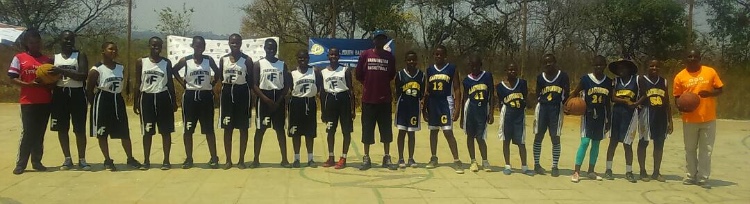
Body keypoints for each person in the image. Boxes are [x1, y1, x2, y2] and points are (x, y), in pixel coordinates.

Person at [86, 42, 142, 171]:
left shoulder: (120, 67)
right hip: (102, 99)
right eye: (110, 49)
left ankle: (130, 158)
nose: (113, 52)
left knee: (124, 132)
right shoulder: (96, 70)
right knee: (102, 133)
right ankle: (107, 160)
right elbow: (89, 90)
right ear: (103, 51)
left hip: (117, 99)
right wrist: (94, 105)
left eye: (115, 49)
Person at [673, 50, 723, 188]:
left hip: (708, 117)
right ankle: (690, 175)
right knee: (689, 148)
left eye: (695, 56)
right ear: (686, 58)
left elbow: (720, 89)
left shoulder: (709, 72)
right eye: (690, 56)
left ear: (699, 58)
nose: (692, 58)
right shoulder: (680, 76)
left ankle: (703, 178)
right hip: (689, 119)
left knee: (706, 149)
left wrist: (710, 93)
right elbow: (677, 97)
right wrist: (682, 107)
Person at [173, 36, 222, 169]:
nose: (199, 48)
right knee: (188, 129)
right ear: (193, 46)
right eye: (197, 45)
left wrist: (212, 83)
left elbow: (218, 72)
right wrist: (183, 83)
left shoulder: (208, 60)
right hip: (190, 96)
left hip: (205, 96)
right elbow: (174, 70)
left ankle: (213, 157)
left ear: (204, 47)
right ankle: (189, 158)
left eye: (201, 46)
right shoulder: (186, 60)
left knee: (208, 129)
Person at [8, 29, 53, 175]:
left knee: (40, 133)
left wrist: (47, 83)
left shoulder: (47, 60)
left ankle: (37, 161)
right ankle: (21, 163)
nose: (35, 45)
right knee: (28, 132)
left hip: (45, 101)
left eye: (37, 42)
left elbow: (54, 80)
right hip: (28, 101)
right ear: (27, 44)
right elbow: (12, 77)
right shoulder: (19, 58)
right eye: (32, 43)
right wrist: (28, 85)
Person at [355, 30, 397, 170]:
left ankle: (387, 157)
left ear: (385, 41)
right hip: (369, 99)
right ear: (373, 40)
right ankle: (366, 158)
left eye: (382, 39)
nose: (380, 41)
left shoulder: (389, 57)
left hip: (384, 99)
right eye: (377, 39)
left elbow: (391, 75)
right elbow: (359, 75)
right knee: (367, 130)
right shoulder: (365, 55)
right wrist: (369, 85)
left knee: (386, 131)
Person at [134, 36, 177, 170]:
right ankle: (146, 160)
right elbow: (137, 83)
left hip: (163, 97)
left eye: (159, 45)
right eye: (153, 45)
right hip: (146, 98)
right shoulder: (141, 62)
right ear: (149, 46)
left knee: (166, 131)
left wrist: (174, 101)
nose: (156, 48)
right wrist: (136, 101)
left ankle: (166, 160)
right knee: (147, 131)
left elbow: (170, 82)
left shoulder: (166, 62)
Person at [50, 30, 90, 171]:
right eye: (65, 39)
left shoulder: (79, 55)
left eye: (71, 39)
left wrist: (62, 71)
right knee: (62, 128)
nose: (68, 42)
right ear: (60, 40)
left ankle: (82, 159)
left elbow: (82, 75)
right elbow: (49, 78)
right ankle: (67, 159)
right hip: (60, 93)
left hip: (77, 93)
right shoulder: (54, 58)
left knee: (79, 128)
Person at [570, 55, 612, 182]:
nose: (598, 67)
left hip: (601, 114)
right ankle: (576, 171)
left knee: (596, 143)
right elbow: (575, 92)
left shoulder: (608, 81)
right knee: (585, 142)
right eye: (596, 65)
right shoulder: (586, 79)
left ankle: (591, 170)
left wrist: (609, 119)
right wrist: (568, 103)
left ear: (605, 66)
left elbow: (608, 102)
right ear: (593, 66)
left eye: (601, 65)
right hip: (587, 114)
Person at [251, 38, 292, 168]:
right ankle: (256, 159)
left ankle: (284, 159)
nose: (271, 50)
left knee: (280, 130)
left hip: (278, 98)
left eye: (273, 48)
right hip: (264, 99)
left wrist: (279, 100)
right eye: (269, 48)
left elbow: (287, 85)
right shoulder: (258, 64)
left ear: (276, 49)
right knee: (260, 130)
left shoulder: (282, 64)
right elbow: (254, 85)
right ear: (264, 49)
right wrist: (266, 99)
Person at [424, 45, 463, 174]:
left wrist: (457, 108)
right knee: (433, 131)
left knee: (448, 132)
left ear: (445, 56)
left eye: (441, 54)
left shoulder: (452, 69)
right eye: (436, 54)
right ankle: (433, 157)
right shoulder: (430, 70)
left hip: (446, 102)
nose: (438, 56)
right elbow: (427, 90)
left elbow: (457, 89)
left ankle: (457, 160)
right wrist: (424, 108)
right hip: (433, 103)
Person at [218, 34, 253, 169]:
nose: (235, 45)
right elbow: (220, 77)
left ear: (241, 43)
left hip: (242, 93)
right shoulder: (224, 59)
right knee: (228, 128)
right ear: (229, 43)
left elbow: (250, 81)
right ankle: (228, 160)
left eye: (237, 43)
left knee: (243, 128)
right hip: (227, 93)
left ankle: (241, 160)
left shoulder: (247, 60)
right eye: (232, 43)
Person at [636, 59, 673, 182]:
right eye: (651, 66)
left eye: (657, 66)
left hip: (660, 115)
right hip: (646, 114)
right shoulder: (641, 80)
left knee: (659, 143)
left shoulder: (664, 81)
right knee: (643, 142)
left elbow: (667, 102)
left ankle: (656, 172)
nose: (654, 68)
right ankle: (642, 171)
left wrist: (670, 120)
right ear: (647, 67)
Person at [533, 54, 570, 177]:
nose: (548, 64)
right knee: (539, 135)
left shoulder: (563, 76)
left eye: (550, 62)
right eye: (545, 62)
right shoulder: (540, 77)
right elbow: (537, 93)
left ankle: (555, 165)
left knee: (555, 137)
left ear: (555, 62)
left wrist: (567, 106)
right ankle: (537, 164)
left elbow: (566, 93)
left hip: (556, 108)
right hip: (543, 108)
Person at [604, 58, 639, 183]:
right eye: (619, 68)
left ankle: (629, 171)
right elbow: (613, 98)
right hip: (617, 113)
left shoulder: (636, 81)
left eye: (624, 67)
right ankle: (608, 169)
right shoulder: (616, 81)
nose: (621, 70)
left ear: (629, 69)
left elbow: (644, 95)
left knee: (627, 143)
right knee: (613, 142)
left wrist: (636, 104)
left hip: (630, 114)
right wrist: (625, 101)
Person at [321, 48, 355, 169]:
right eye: (331, 54)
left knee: (346, 130)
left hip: (343, 100)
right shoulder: (323, 72)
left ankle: (343, 157)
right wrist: (323, 111)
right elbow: (322, 93)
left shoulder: (345, 70)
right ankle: (331, 157)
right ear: (328, 56)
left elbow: (351, 90)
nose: (333, 56)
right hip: (330, 100)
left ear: (339, 56)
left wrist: (353, 108)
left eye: (335, 54)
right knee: (330, 130)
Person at [496, 62, 534, 176]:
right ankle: (507, 165)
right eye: (510, 70)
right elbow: (500, 102)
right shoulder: (500, 86)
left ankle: (524, 166)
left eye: (514, 70)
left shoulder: (522, 83)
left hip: (519, 115)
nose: (512, 72)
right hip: (507, 114)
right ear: (506, 71)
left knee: (521, 141)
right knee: (506, 140)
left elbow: (525, 98)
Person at [288, 49, 323, 168]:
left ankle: (310, 158)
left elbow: (319, 87)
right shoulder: (292, 73)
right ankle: (296, 158)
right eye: (300, 58)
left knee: (309, 133)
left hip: (310, 102)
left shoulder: (315, 71)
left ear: (308, 59)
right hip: (296, 103)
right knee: (296, 133)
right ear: (297, 59)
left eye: (305, 58)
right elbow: (289, 89)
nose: (302, 60)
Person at [460, 55, 494, 172]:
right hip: (470, 109)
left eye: (476, 65)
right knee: (470, 136)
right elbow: (464, 98)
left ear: (480, 65)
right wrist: (461, 117)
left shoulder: (487, 76)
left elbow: (491, 95)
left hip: (482, 110)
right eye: (472, 65)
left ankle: (485, 160)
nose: (474, 68)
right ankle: (473, 161)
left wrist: (491, 113)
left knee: (480, 137)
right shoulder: (466, 80)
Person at [394, 51, 424, 168]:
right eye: (409, 60)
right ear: (405, 61)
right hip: (402, 107)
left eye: (413, 60)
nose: (411, 62)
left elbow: (422, 93)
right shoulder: (400, 75)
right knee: (402, 132)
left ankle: (411, 158)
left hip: (414, 108)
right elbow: (397, 92)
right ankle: (401, 158)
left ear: (416, 61)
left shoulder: (421, 75)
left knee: (411, 133)